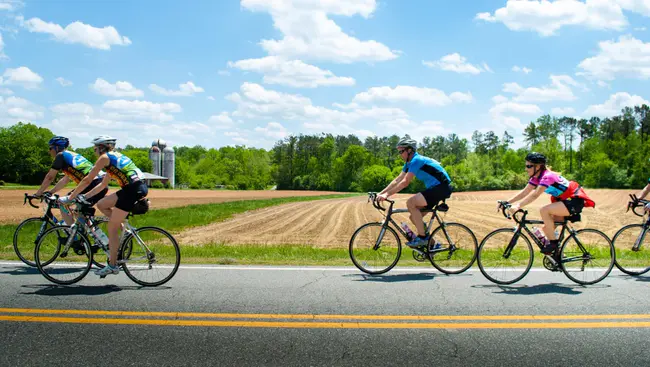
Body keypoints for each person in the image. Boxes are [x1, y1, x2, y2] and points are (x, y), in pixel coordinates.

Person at [59, 135, 147, 277]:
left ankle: (112, 265)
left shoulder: (104, 158)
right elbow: (103, 184)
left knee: (111, 229)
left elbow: (88, 179)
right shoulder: (113, 157)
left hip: (132, 190)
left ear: (101, 147)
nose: (94, 151)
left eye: (95, 148)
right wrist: (85, 196)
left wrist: (71, 197)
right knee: (101, 204)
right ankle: (123, 228)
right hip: (134, 187)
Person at [498, 152, 595, 255]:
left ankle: (553, 244)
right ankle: (558, 255)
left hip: (573, 201)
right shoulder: (536, 177)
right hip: (564, 201)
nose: (526, 169)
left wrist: (518, 206)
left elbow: (535, 195)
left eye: (529, 166)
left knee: (544, 210)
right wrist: (507, 202)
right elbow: (525, 192)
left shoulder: (547, 177)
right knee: (546, 229)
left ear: (538, 166)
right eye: (526, 166)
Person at [377, 135, 453, 248]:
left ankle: (422, 238)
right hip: (436, 189)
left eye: (401, 151)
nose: (400, 155)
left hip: (441, 187)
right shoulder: (409, 163)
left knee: (411, 203)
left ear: (409, 150)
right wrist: (381, 193)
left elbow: (405, 182)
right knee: (414, 217)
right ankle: (432, 245)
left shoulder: (416, 160)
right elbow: (397, 179)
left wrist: (387, 195)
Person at [33, 136, 107, 225]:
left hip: (92, 184)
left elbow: (50, 177)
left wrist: (38, 194)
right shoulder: (71, 155)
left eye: (50, 148)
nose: (49, 151)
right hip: (99, 183)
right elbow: (65, 179)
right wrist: (51, 192)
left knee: (62, 202)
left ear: (56, 148)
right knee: (79, 213)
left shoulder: (60, 156)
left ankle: (73, 236)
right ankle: (91, 235)